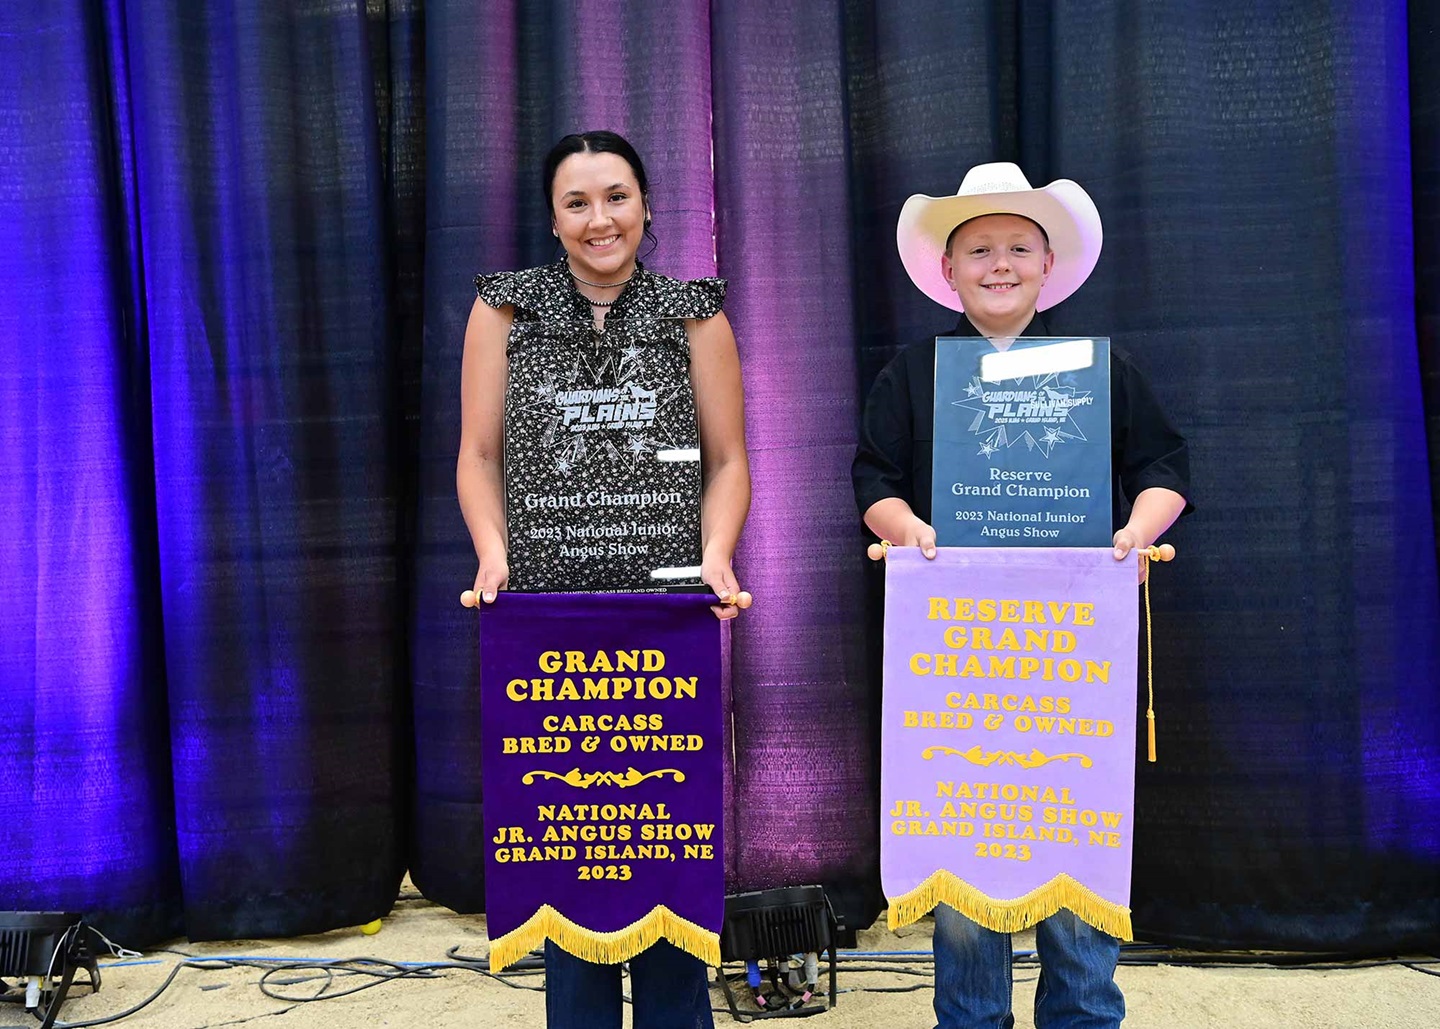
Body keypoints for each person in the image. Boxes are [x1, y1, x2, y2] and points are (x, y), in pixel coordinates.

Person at [852, 163, 1193, 1028]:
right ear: (949, 271)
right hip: (959, 655)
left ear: (1048, 266)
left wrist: (1137, 531)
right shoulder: (913, 372)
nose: (997, 264)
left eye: (1016, 248)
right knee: (969, 831)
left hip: (1073, 648)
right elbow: (874, 478)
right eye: (977, 250)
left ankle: (1083, 1013)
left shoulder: (1099, 367)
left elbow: (1162, 466)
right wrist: (908, 528)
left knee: (1075, 828)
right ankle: (970, 1017)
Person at [457, 130, 750, 1029]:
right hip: (545, 617)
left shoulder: (695, 312)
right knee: (570, 851)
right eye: (577, 202)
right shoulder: (503, 310)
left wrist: (717, 553)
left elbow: (730, 461)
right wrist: (492, 550)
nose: (600, 219)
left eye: (616, 196)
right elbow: (474, 457)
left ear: (648, 204)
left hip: (665, 616)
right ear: (553, 217)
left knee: (663, 842)